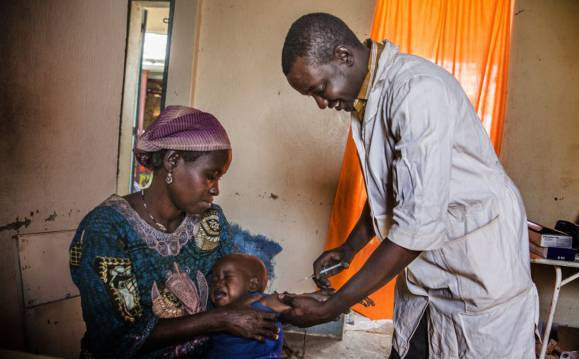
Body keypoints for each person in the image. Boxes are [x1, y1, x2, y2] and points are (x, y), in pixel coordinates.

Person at [279, 13, 538, 358]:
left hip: (478, 272)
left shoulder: (416, 92)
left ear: (343, 56)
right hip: (430, 275)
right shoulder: (369, 98)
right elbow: (394, 188)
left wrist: (334, 306)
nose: (322, 103)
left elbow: (417, 226)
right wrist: (350, 247)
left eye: (320, 89)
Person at [69, 106, 279, 358]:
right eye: (210, 176)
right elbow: (115, 338)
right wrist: (218, 319)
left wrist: (289, 305)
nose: (216, 190)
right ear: (172, 161)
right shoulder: (107, 229)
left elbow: (234, 295)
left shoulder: (210, 220)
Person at [206, 253, 289, 358]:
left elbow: (285, 302)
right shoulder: (215, 312)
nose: (217, 283)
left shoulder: (256, 303)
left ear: (252, 284)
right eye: (214, 280)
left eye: (227, 277)